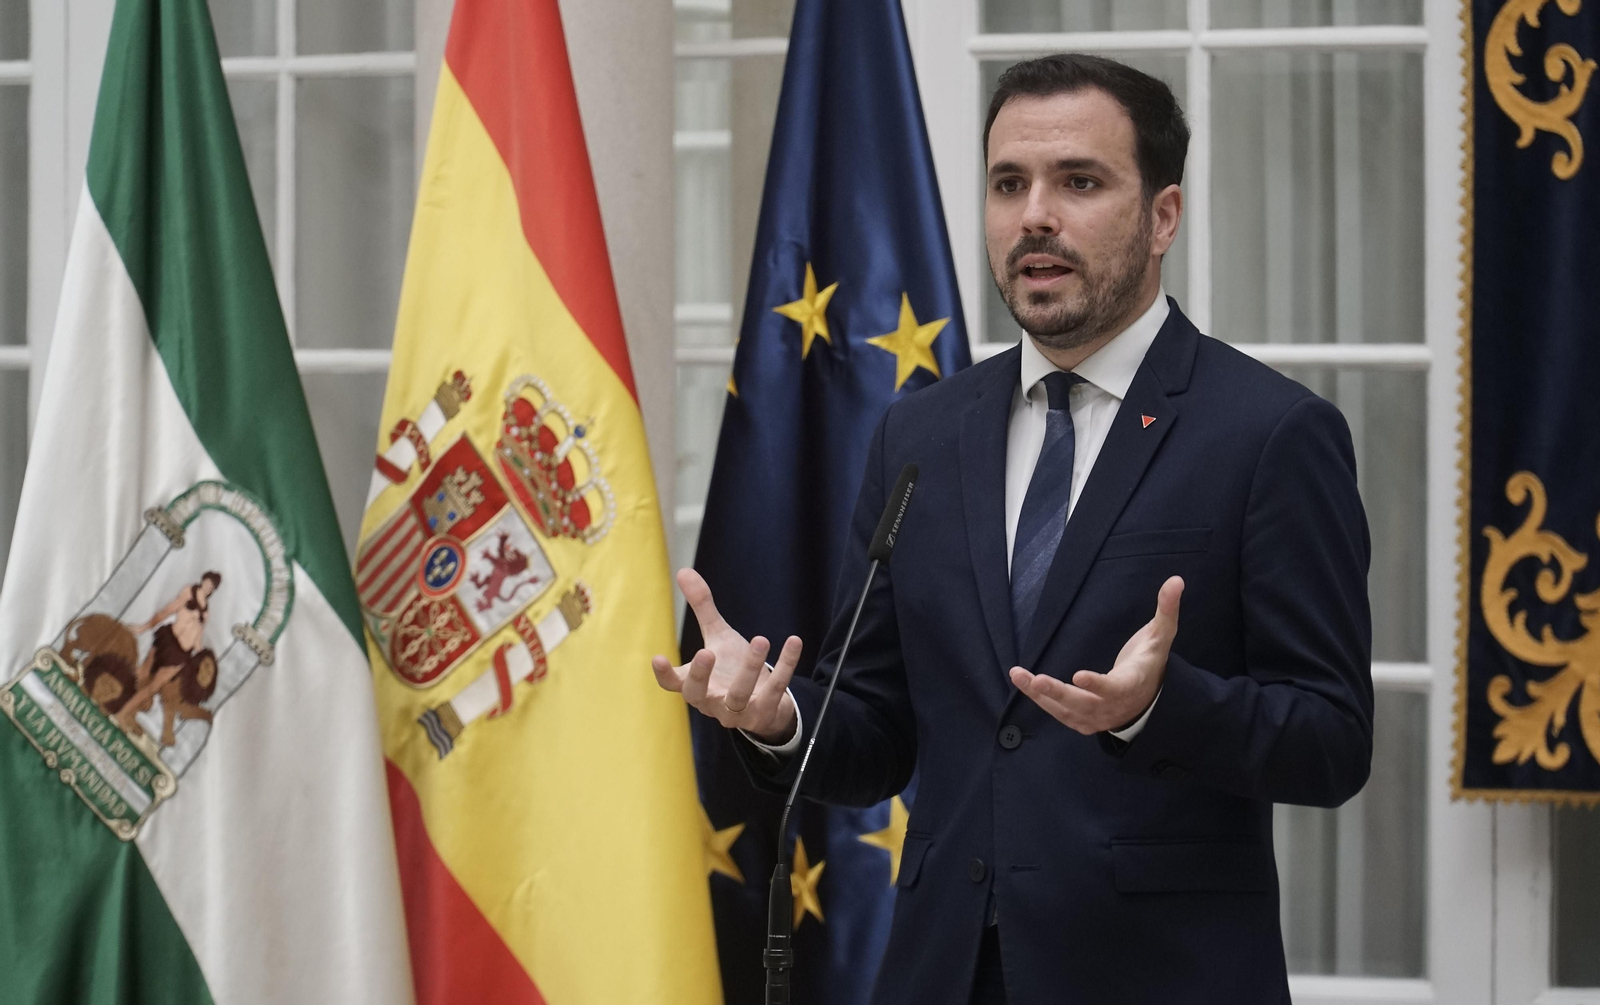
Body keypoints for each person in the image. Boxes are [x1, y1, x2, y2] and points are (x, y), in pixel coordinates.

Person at [652, 53, 1372, 1004]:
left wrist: (1159, 706)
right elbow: (876, 727)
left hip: (1157, 976)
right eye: (1008, 184)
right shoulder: (919, 434)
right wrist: (778, 720)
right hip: (941, 973)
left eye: (1079, 182)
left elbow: (1331, 740)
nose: (1035, 215)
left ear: (1163, 215)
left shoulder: (1270, 432)